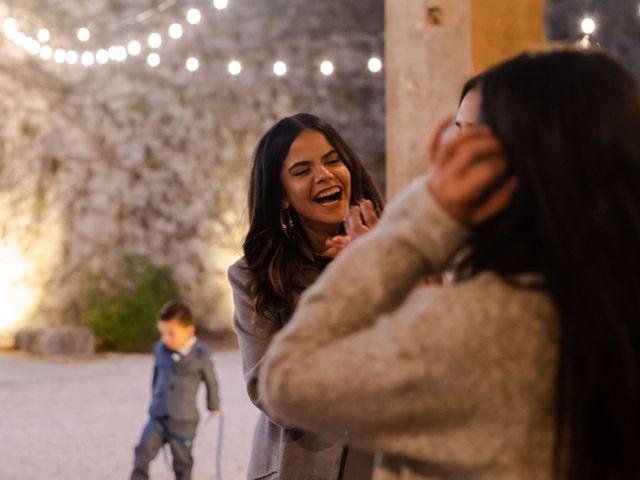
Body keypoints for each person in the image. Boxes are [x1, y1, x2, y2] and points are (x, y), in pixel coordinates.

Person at [258, 49, 640, 480]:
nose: (449, 157)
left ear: (523, 162)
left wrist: (411, 232)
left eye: (472, 141)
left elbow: (285, 379)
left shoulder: (483, 320)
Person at [228, 112, 384, 479]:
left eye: (333, 161)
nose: (325, 175)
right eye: (301, 170)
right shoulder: (254, 275)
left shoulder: (402, 251)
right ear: (281, 196)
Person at [131, 301, 220, 480]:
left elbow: (211, 382)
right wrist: (154, 398)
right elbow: (156, 376)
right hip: (158, 415)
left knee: (182, 461)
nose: (165, 339)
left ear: (189, 330)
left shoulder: (202, 355)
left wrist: (213, 406)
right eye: (162, 333)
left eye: (171, 334)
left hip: (184, 419)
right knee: (142, 451)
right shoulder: (160, 349)